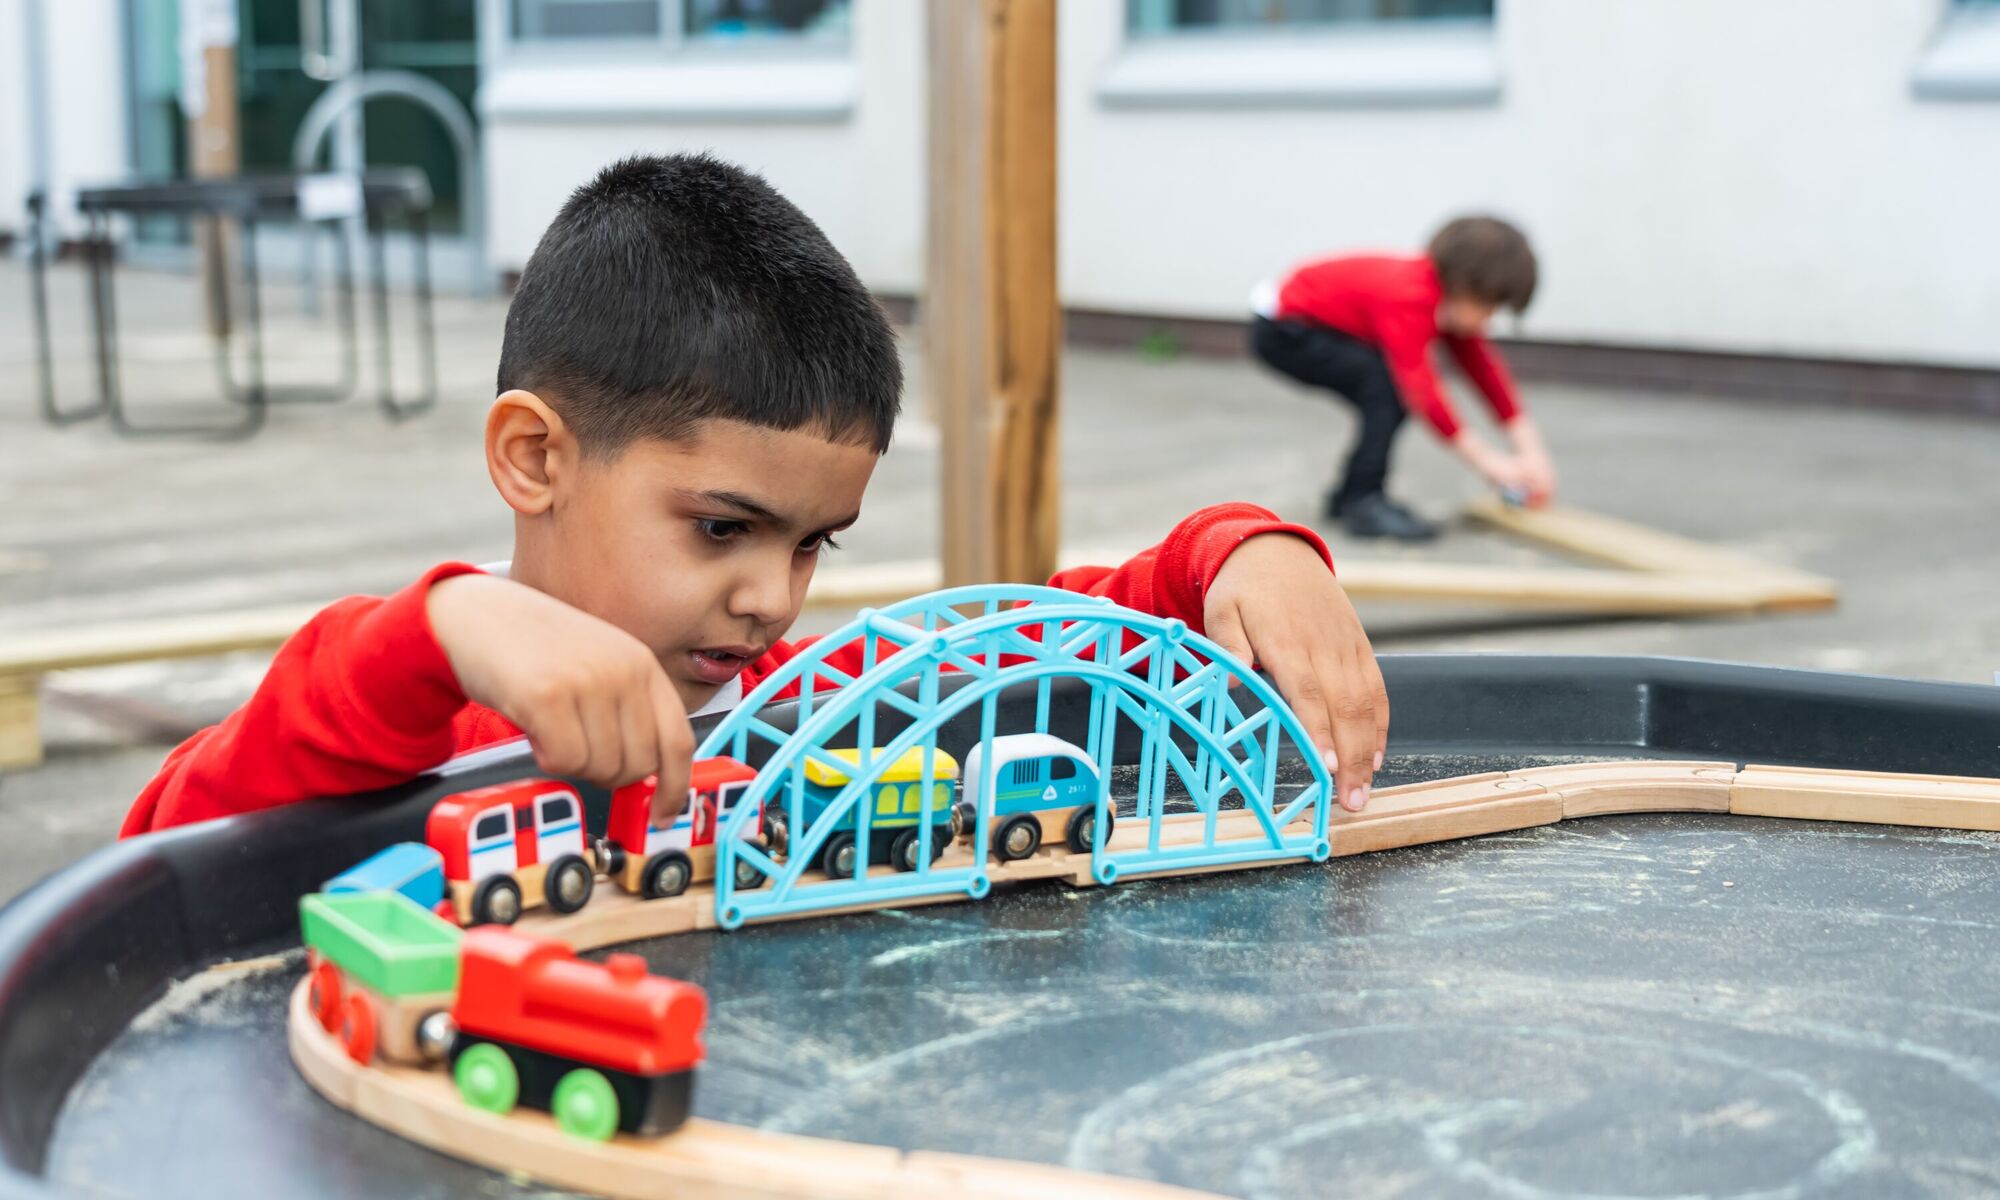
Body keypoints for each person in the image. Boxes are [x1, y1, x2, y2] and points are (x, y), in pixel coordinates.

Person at [121, 153, 1390, 839]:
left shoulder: (781, 706)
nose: (768, 600)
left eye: (812, 546)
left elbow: (1022, 634)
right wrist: (440, 626)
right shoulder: (407, 718)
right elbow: (167, 840)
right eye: (722, 529)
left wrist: (1236, 554)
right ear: (532, 457)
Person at [1249, 216, 1555, 542]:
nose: (1490, 317)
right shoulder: (1410, 295)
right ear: (1466, 288)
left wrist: (1532, 453)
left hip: (1306, 326)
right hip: (1285, 332)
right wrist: (1489, 463)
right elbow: (1423, 391)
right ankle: (1362, 500)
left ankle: (1351, 496)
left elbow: (1484, 371)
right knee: (1388, 389)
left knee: (1385, 390)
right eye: (1489, 306)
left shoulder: (1444, 295)